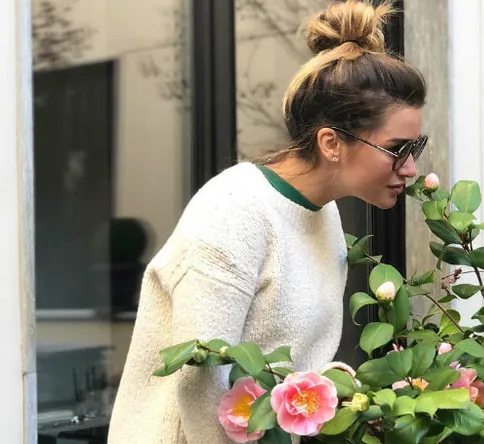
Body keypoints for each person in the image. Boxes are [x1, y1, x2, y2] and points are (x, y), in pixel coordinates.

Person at [107, 0, 427, 442]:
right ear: (331, 143)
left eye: (416, 147)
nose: (410, 168)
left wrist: (341, 391)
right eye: (397, 149)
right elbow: (200, 383)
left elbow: (292, 361)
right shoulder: (234, 210)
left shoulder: (323, 214)